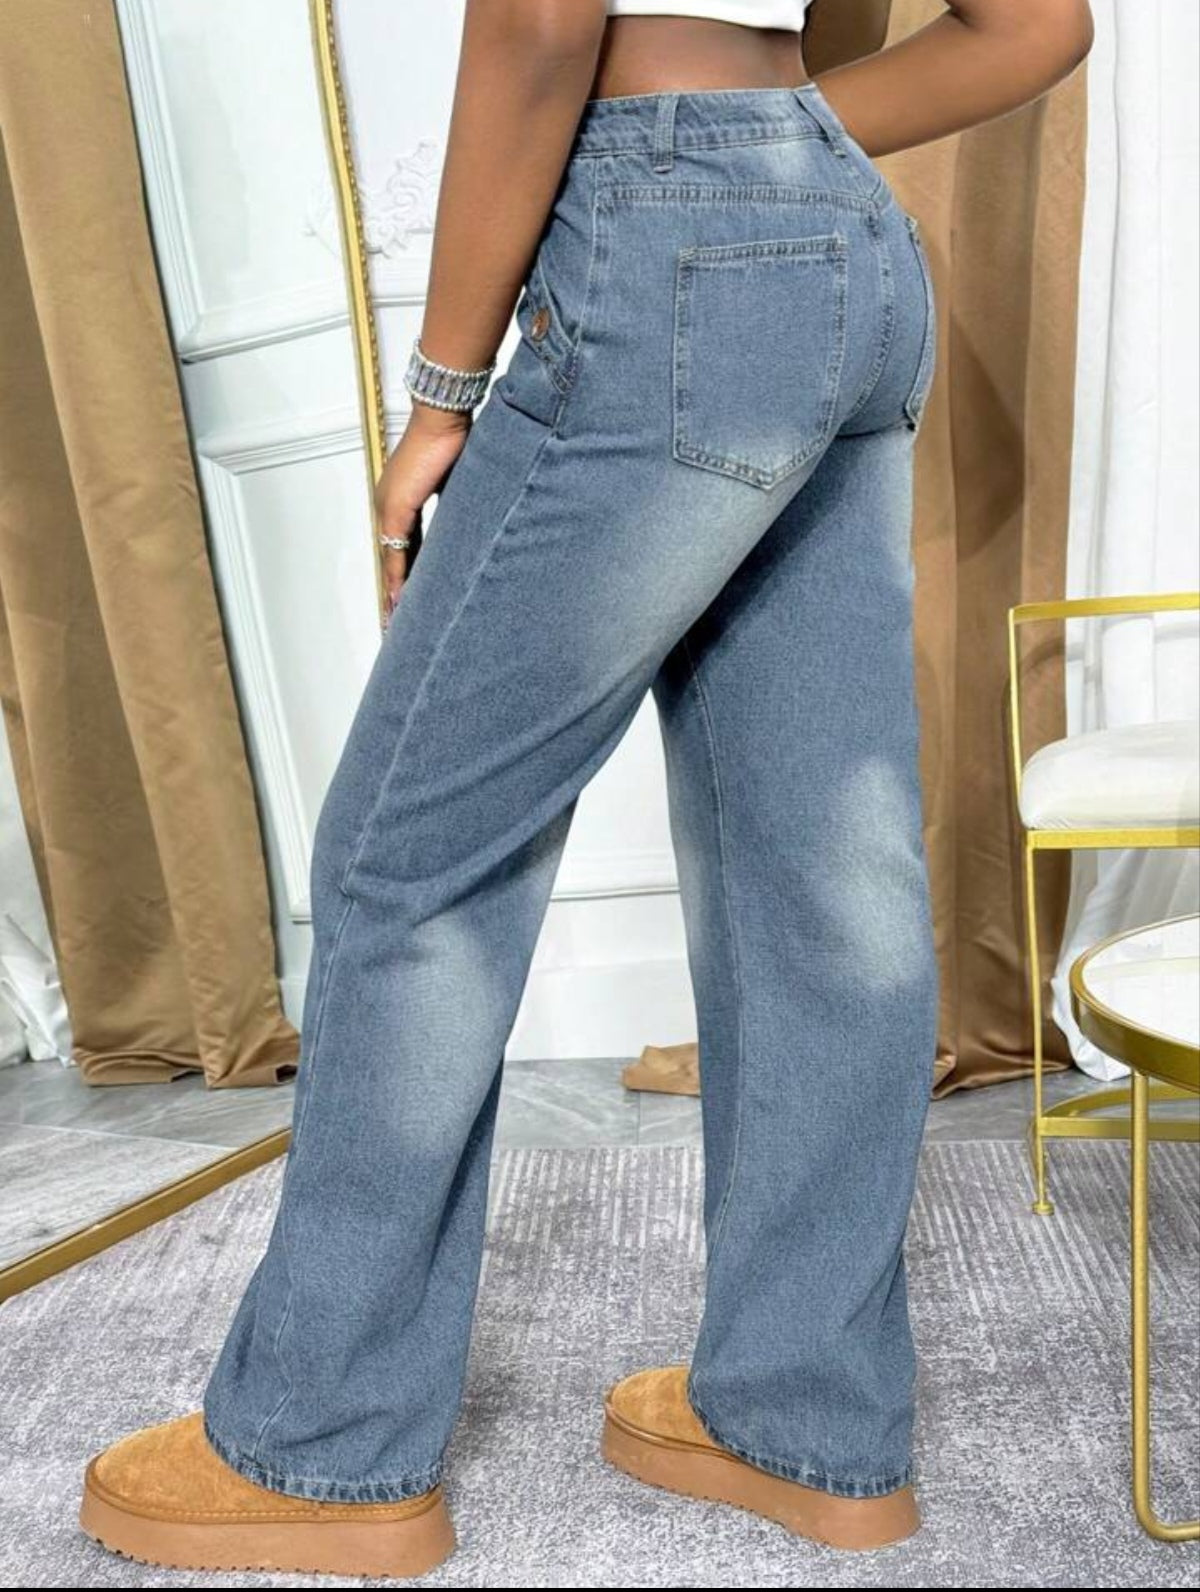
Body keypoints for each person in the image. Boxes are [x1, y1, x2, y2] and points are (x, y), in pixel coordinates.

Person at [80, 0, 1093, 1577]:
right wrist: (789, 140)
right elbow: (1035, 26)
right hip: (843, 255)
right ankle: (805, 1418)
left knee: (413, 861)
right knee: (821, 876)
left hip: (667, 248)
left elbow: (544, 23)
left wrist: (441, 392)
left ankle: (318, 1446)